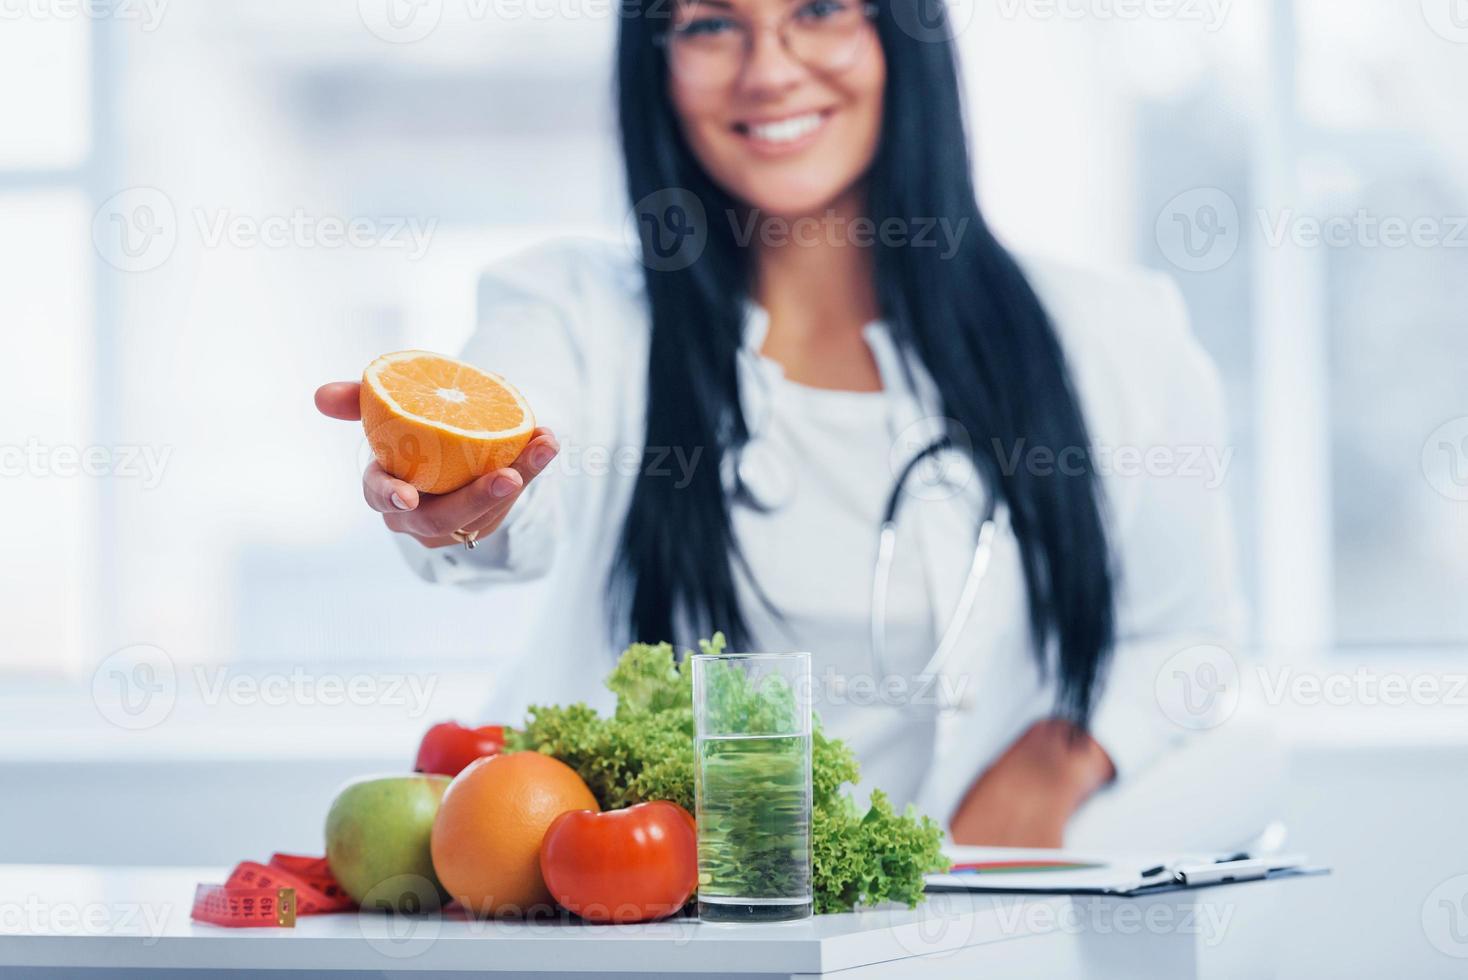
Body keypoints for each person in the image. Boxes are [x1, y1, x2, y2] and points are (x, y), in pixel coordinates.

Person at [315, 0, 1239, 846]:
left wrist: (1051, 768)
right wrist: (466, 498)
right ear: (656, 63)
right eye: (712, 25)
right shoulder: (568, 307)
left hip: (945, 932)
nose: (770, 68)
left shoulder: (1114, 334)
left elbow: (1188, 643)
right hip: (643, 929)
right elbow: (514, 479)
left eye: (821, 10)